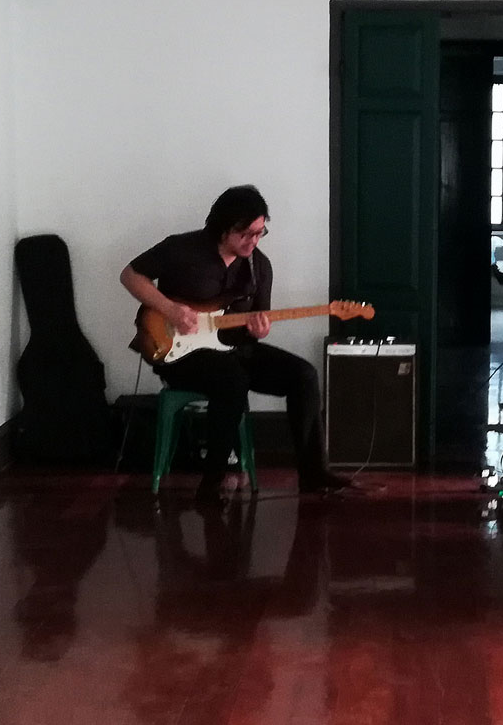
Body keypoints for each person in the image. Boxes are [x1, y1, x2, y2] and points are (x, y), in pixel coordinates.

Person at [121, 185, 353, 502]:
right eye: (245, 233)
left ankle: (314, 473)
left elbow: (257, 323)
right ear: (223, 227)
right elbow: (130, 275)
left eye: (260, 233)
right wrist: (171, 309)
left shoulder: (260, 267)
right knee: (232, 379)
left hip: (234, 349)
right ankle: (212, 482)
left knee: (304, 375)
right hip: (179, 353)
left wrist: (260, 330)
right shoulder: (181, 249)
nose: (253, 241)